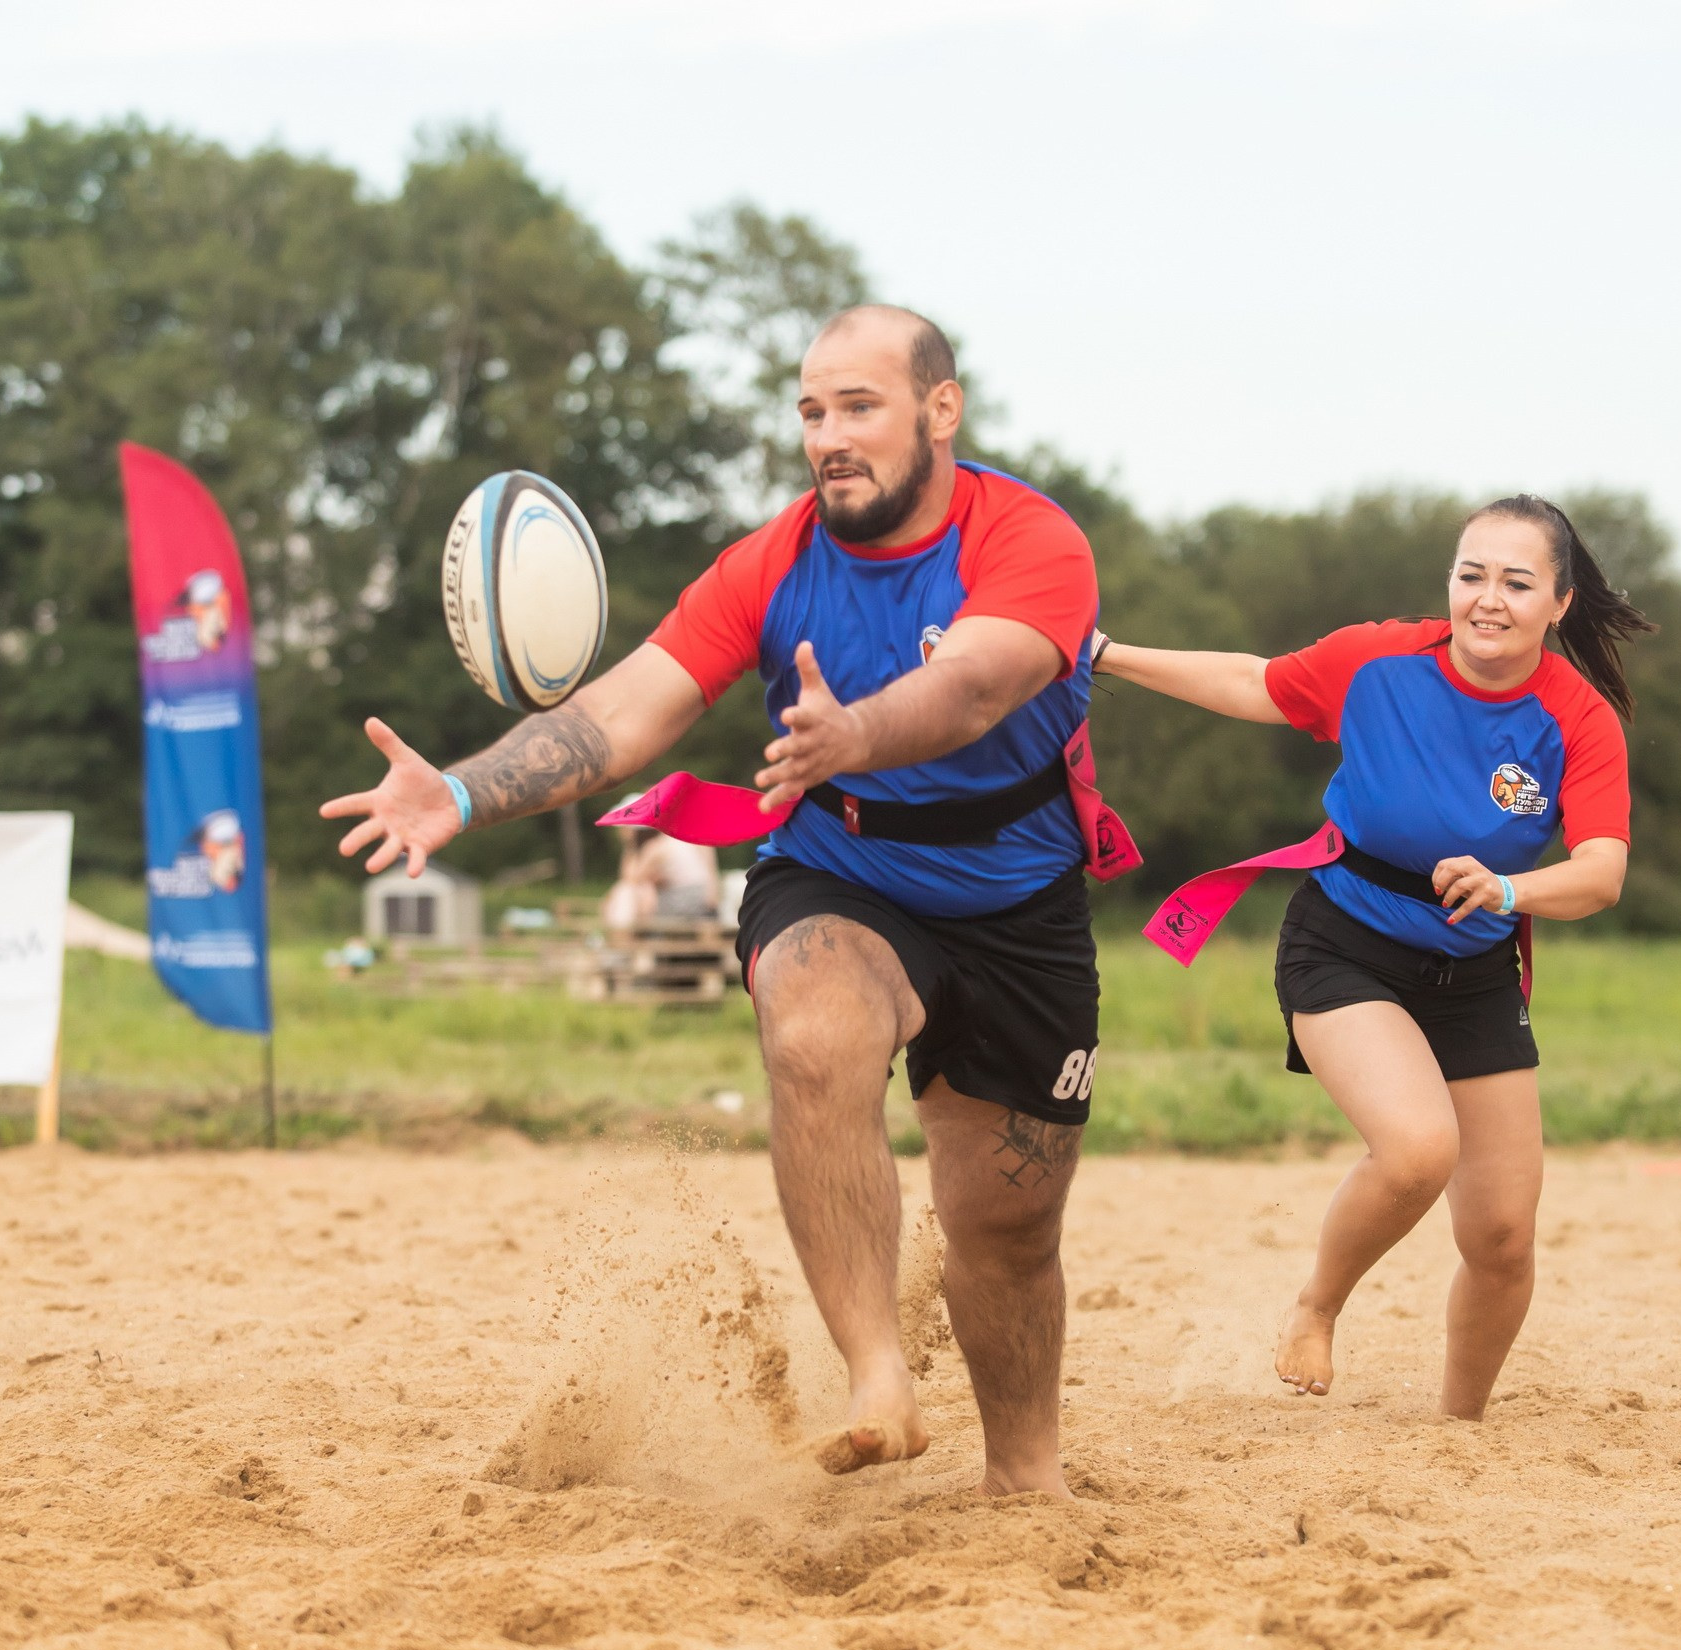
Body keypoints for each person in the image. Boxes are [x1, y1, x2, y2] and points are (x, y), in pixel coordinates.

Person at [321, 305, 1120, 1496]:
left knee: (1006, 1230)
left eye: (859, 407)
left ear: (939, 411)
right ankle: (873, 1375)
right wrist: (459, 790)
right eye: (811, 412)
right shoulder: (771, 562)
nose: (829, 437)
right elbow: (619, 713)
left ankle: (1027, 1474)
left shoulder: (1031, 538)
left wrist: (853, 729)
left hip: (1020, 900)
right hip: (841, 864)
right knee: (812, 1025)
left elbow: (971, 687)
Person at [1096, 495, 1649, 1412]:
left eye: (1516, 582)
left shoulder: (1577, 719)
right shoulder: (1380, 658)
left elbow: (1601, 871)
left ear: (1559, 602)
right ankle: (1318, 1304)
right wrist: (1104, 654)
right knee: (1416, 1149)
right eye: (1471, 574)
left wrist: (1512, 891)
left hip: (1473, 968)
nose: (1487, 598)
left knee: (1505, 1235)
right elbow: (1252, 682)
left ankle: (1457, 1427)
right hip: (1345, 942)